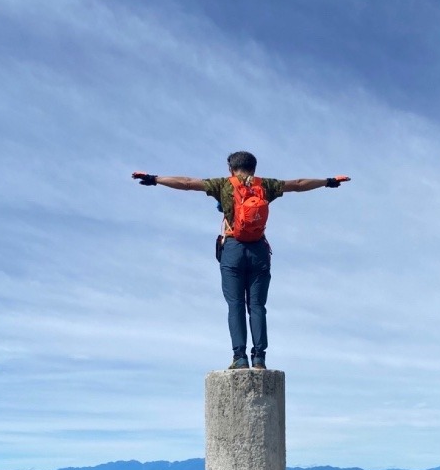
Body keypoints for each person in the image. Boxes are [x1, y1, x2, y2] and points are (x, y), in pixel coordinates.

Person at [132, 151, 350, 370]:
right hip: (259, 251)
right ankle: (259, 359)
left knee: (235, 304)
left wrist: (155, 179)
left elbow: (187, 183)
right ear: (254, 169)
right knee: (257, 306)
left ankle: (240, 357)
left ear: (230, 168)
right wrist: (328, 181)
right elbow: (299, 184)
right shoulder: (265, 185)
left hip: (233, 249)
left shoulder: (223, 185)